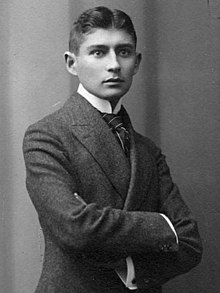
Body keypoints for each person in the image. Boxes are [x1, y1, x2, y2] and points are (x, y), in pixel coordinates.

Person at [23, 6, 202, 293]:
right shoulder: (47, 136)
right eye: (98, 52)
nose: (114, 64)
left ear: (137, 62)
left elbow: (190, 242)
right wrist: (162, 225)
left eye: (124, 52)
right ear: (72, 63)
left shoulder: (147, 150)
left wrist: (130, 268)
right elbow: (76, 227)